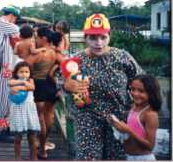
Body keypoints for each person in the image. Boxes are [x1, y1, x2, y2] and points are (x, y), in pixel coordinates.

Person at [63, 13, 144, 160]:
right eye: (93, 38)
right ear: (85, 38)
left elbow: (142, 82)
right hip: (87, 117)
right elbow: (66, 85)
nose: (98, 43)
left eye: (103, 37)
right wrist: (68, 86)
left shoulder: (122, 57)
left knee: (117, 157)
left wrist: (140, 108)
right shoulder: (76, 60)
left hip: (119, 117)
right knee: (88, 157)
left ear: (109, 36)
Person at [25, 26, 60, 159]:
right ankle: (43, 144)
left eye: (37, 37)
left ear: (43, 38)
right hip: (50, 85)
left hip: (38, 85)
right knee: (49, 116)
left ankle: (41, 149)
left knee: (40, 118)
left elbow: (24, 66)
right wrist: (54, 68)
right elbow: (64, 62)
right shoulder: (53, 51)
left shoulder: (39, 53)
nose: (35, 39)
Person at [110, 74, 162, 161]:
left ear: (151, 93)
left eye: (141, 91)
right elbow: (134, 126)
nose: (135, 93)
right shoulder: (134, 106)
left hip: (143, 158)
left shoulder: (150, 114)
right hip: (129, 157)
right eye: (132, 89)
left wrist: (128, 130)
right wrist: (118, 125)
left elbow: (150, 146)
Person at [0, 5, 20, 143]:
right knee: (1, 101)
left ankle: (4, 127)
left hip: (6, 68)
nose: (15, 21)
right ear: (12, 16)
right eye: (15, 18)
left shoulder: (1, 24)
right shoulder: (1, 23)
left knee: (6, 99)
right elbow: (16, 30)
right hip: (1, 68)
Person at [8, 61, 40, 160]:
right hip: (18, 111)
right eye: (21, 72)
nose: (24, 74)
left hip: (29, 111)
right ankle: (17, 157)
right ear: (16, 73)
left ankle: (33, 157)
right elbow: (10, 84)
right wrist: (23, 83)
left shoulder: (30, 80)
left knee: (32, 137)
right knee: (18, 138)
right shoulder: (13, 80)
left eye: (26, 72)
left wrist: (20, 86)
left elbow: (32, 87)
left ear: (30, 73)